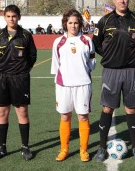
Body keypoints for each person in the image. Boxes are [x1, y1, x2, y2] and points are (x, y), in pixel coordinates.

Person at [92, 0, 135, 162]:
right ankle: (101, 148)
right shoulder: (104, 21)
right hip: (111, 71)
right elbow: (97, 43)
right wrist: (110, 56)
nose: (122, 0)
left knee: (131, 108)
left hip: (131, 71)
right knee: (107, 108)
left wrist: (130, 55)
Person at [0, 4, 37, 161]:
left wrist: (23, 71)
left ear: (19, 17)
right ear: (4, 17)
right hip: (1, 78)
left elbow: (32, 56)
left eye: (14, 16)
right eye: (8, 16)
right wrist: (4, 68)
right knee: (2, 112)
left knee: (22, 112)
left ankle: (25, 147)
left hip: (20, 79)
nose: (11, 19)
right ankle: (2, 147)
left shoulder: (26, 35)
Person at [51, 9, 96, 162]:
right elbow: (56, 65)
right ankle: (64, 149)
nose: (73, 25)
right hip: (63, 85)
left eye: (76, 22)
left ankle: (83, 150)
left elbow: (92, 63)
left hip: (83, 84)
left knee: (83, 117)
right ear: (65, 24)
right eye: (70, 22)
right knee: (65, 116)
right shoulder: (58, 42)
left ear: (80, 24)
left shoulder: (87, 41)